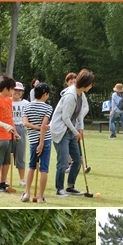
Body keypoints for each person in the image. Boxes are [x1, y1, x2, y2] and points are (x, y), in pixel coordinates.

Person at [51, 68, 94, 197]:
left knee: (77, 159)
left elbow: (80, 113)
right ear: (86, 84)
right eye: (91, 83)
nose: (91, 86)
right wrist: (76, 132)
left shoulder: (81, 94)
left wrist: (81, 128)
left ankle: (70, 186)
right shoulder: (70, 95)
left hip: (71, 130)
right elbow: (65, 117)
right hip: (61, 131)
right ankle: (59, 189)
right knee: (63, 161)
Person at [21, 81, 52, 203]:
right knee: (44, 168)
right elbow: (44, 126)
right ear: (45, 94)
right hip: (46, 140)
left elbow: (25, 123)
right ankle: (40, 196)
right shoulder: (48, 107)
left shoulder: (27, 106)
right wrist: (42, 142)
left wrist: (37, 129)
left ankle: (27, 193)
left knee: (31, 166)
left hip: (33, 140)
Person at [0, 75, 19, 193]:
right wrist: (3, 125)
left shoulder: (9, 100)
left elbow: (11, 118)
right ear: (6, 88)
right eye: (12, 89)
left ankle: (2, 182)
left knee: (7, 160)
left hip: (8, 135)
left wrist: (14, 132)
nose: (13, 92)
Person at [12, 82, 29, 187]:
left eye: (19, 90)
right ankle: (5, 178)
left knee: (20, 154)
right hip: (8, 128)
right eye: (15, 90)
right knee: (7, 154)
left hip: (21, 128)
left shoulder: (26, 104)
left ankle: (22, 179)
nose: (17, 92)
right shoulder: (7, 102)